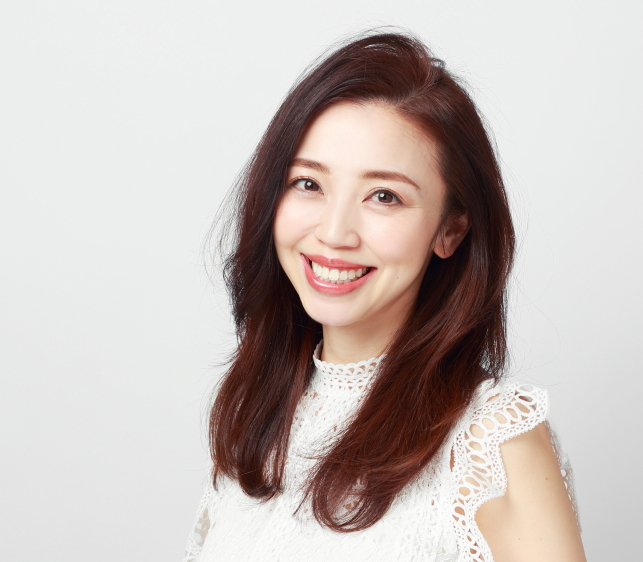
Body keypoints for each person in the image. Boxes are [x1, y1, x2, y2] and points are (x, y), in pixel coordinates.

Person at [184, 31, 586, 562]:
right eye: (309, 184)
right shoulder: (255, 414)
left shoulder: (491, 443)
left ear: (450, 229)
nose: (334, 233)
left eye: (384, 196)